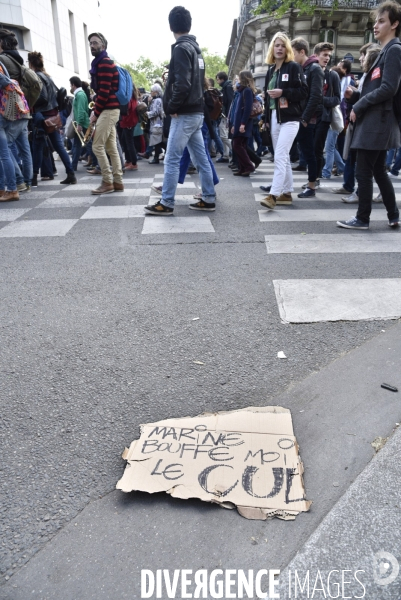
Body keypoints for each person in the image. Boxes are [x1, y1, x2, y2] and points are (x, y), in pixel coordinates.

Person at [144, 6, 216, 215]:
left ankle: (166, 203)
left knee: (172, 158)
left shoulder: (181, 48)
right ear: (189, 24)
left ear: (170, 26)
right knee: (200, 157)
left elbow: (182, 84)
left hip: (184, 112)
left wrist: (172, 106)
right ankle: (208, 197)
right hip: (196, 111)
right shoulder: (196, 49)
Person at [337, 0, 401, 229]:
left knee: (363, 172)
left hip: (377, 122)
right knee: (378, 171)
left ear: (395, 24)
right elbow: (377, 88)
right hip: (377, 121)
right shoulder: (386, 52)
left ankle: (363, 218)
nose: (376, 25)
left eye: (381, 21)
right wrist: (355, 95)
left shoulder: (394, 50)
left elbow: (388, 88)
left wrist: (358, 104)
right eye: (376, 21)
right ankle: (393, 215)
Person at [259, 32, 308, 209]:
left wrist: (283, 92)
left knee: (279, 155)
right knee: (283, 156)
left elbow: (304, 92)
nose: (279, 48)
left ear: (287, 48)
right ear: (272, 48)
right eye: (276, 45)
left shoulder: (293, 67)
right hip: (273, 117)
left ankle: (273, 194)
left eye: (282, 45)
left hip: (290, 118)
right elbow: (266, 99)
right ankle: (286, 192)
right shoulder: (271, 70)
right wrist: (265, 119)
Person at [28, 51, 76, 187]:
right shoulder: (47, 77)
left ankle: (34, 177)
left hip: (42, 116)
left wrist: (30, 101)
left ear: (31, 63)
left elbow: (42, 97)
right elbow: (58, 95)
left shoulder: (36, 76)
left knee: (37, 146)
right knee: (58, 146)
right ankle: (70, 173)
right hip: (53, 116)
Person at [87, 32, 123, 195]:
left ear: (103, 45)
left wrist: (95, 112)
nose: (92, 46)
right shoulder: (102, 62)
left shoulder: (104, 63)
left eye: (95, 42)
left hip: (108, 110)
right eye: (90, 43)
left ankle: (108, 181)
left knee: (97, 145)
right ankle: (117, 181)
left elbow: (104, 91)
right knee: (110, 147)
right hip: (109, 109)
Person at [292, 37, 324, 198]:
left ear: (302, 52)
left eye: (293, 53)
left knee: (309, 152)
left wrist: (304, 118)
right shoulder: (303, 69)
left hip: (309, 119)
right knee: (304, 151)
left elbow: (316, 96)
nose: (291, 57)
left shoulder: (314, 69)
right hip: (302, 117)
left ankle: (311, 186)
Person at [231, 70, 257, 177]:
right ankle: (242, 168)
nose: (238, 80)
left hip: (243, 122)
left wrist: (242, 124)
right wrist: (234, 125)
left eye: (239, 78)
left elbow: (247, 109)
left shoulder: (247, 91)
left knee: (237, 145)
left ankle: (248, 166)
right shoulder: (242, 91)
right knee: (240, 145)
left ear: (243, 78)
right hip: (239, 122)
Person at [69, 76, 89, 172]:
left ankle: (97, 164)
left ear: (73, 85)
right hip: (82, 123)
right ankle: (73, 166)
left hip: (82, 123)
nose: (70, 87)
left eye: (71, 85)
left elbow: (80, 110)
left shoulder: (79, 95)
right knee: (78, 145)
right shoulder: (81, 94)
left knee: (88, 144)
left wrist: (79, 124)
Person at [120, 86, 139, 171]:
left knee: (129, 142)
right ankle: (129, 160)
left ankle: (133, 162)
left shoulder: (129, 97)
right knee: (124, 140)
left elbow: (127, 109)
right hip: (129, 121)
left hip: (128, 122)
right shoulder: (133, 96)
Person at [216, 71, 234, 162]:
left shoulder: (227, 87)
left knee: (223, 135)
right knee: (224, 134)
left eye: (218, 79)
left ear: (222, 79)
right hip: (226, 114)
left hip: (226, 114)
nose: (217, 82)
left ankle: (235, 151)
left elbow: (230, 101)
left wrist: (228, 114)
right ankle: (226, 155)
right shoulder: (226, 87)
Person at [146, 83, 164, 164]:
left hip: (157, 123)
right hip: (157, 123)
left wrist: (147, 113)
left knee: (157, 141)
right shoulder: (158, 99)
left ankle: (156, 158)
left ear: (156, 92)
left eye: (152, 91)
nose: (151, 92)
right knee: (158, 141)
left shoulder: (157, 100)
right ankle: (156, 157)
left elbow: (156, 112)